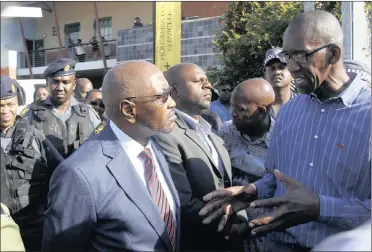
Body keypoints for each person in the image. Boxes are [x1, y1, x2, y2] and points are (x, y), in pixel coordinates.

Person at [199, 10, 371, 252]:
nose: (291, 67)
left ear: (333, 54)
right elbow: (276, 177)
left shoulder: (368, 114)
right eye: (288, 56)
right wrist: (253, 191)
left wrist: (321, 208)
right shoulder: (290, 112)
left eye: (300, 55)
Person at [42, 61, 180, 251]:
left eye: (170, 93)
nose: (172, 103)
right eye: (162, 97)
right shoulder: (78, 175)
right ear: (129, 110)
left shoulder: (153, 147)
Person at [153, 63, 248, 252]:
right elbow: (182, 201)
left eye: (208, 81)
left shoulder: (213, 135)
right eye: (199, 81)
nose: (208, 86)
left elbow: (228, 188)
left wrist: (242, 217)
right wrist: (230, 221)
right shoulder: (165, 135)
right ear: (174, 91)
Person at [0, 75, 64, 251]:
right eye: (0, 105)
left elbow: (62, 175)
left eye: (10, 104)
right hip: (2, 232)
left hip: (35, 228)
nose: (5, 110)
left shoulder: (34, 136)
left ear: (17, 104)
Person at [22, 59, 101, 158]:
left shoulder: (89, 114)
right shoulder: (31, 114)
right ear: (47, 83)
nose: (60, 87)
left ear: (74, 84)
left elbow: (100, 149)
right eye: (55, 81)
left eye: (66, 82)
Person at [219, 78, 275, 186]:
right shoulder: (226, 131)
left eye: (240, 109)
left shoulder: (280, 141)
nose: (233, 114)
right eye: (232, 106)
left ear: (261, 112)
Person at [264, 48, 297, 116]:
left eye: (282, 67)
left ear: (291, 71)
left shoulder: (303, 105)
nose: (277, 72)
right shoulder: (258, 109)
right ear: (265, 74)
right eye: (272, 68)